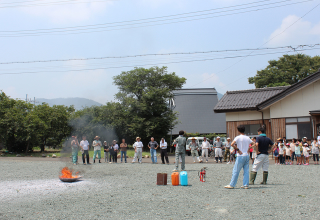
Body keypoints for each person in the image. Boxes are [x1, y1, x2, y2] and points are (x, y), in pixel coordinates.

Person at [225, 125, 254, 189]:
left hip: (240, 155)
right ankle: (245, 185)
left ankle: (232, 184)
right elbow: (254, 144)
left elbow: (232, 144)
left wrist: (237, 149)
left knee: (236, 170)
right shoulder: (247, 138)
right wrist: (249, 148)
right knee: (246, 171)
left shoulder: (237, 137)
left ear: (238, 130)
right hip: (246, 155)